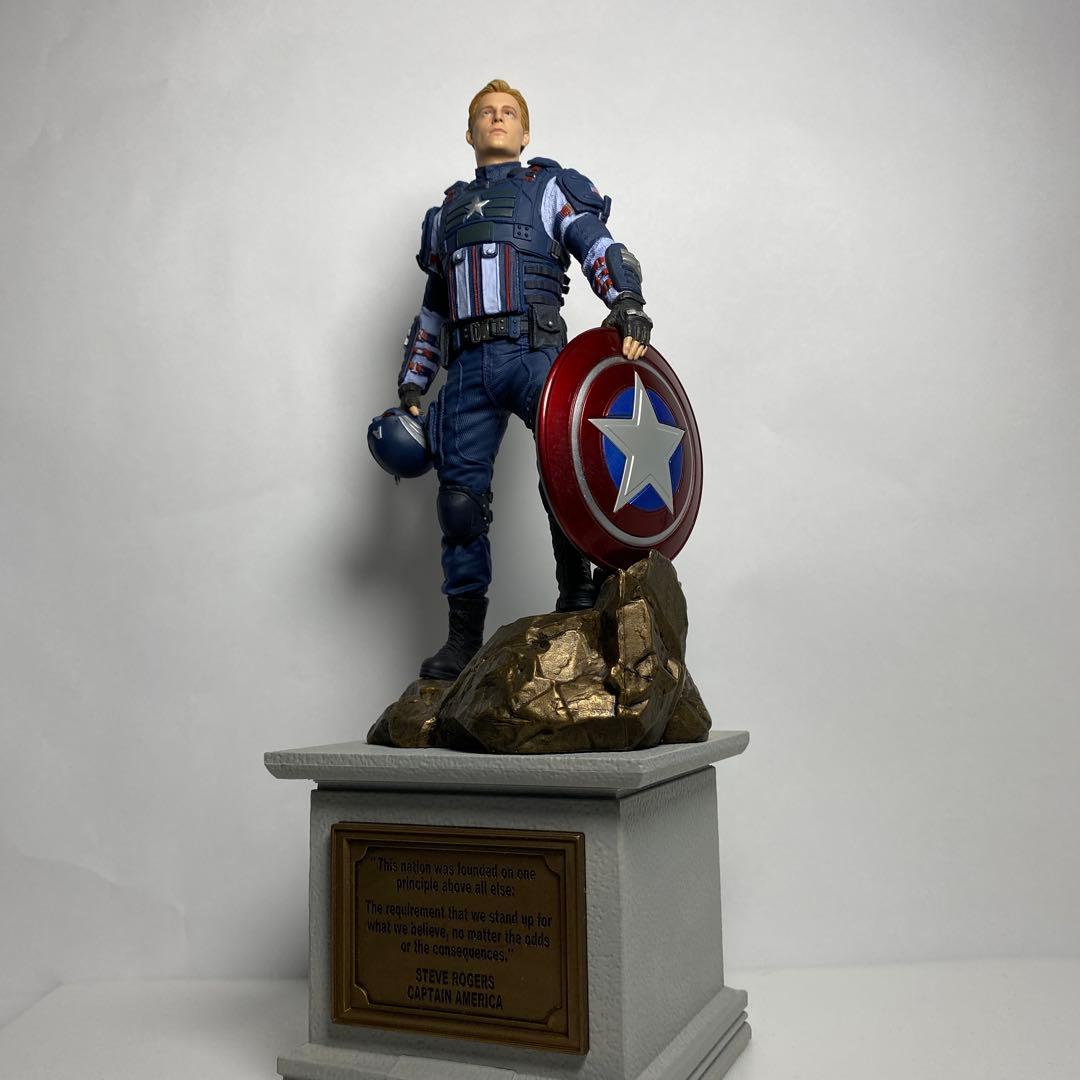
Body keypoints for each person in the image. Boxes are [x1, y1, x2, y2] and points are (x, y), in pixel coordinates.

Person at [397, 78, 652, 679]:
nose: (497, 119)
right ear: (469, 133)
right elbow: (433, 309)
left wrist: (627, 301)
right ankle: (463, 640)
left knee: (570, 473)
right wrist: (413, 383)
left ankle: (578, 595)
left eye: (508, 112)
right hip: (467, 367)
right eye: (486, 113)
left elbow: (597, 245)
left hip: (535, 352)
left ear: (525, 131)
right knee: (459, 503)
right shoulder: (445, 215)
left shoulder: (549, 188)